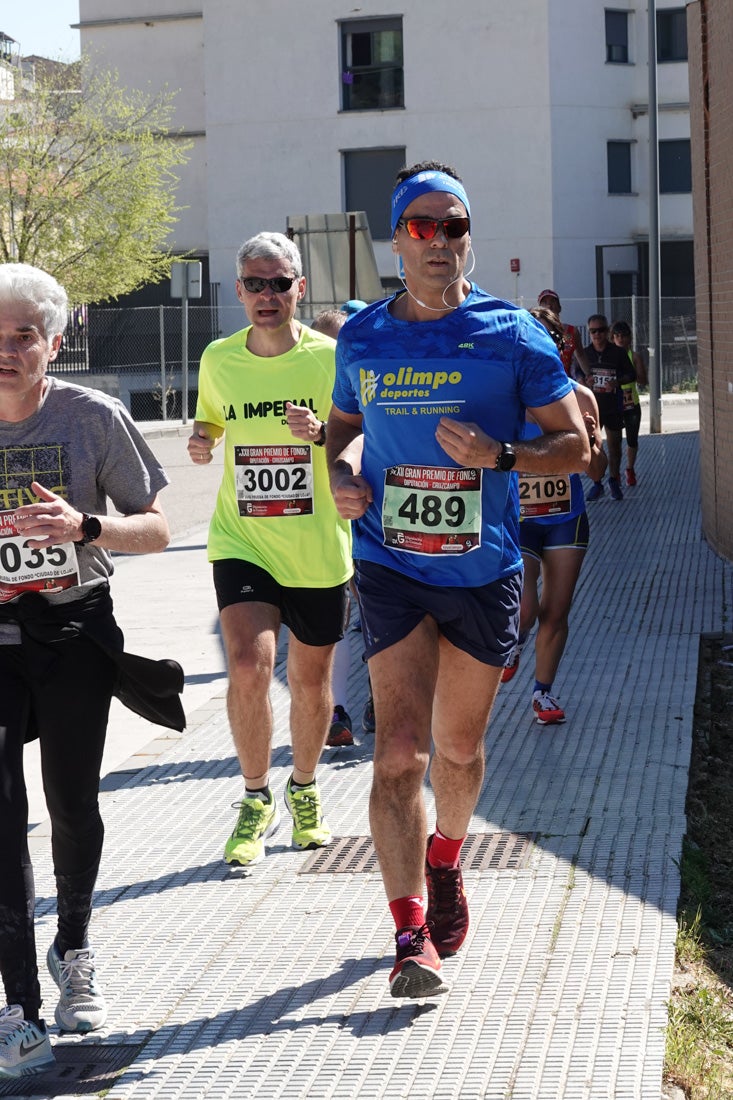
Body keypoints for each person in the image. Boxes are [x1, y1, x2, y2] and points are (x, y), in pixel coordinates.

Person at [326, 162, 590, 998]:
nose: (439, 241)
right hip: (390, 561)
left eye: (454, 225)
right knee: (398, 752)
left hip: (482, 571)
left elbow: (578, 445)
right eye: (422, 227)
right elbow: (338, 432)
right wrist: (337, 474)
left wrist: (501, 456)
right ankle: (410, 938)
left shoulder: (512, 335)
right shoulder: (364, 337)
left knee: (458, 749)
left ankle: (446, 857)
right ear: (397, 238)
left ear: (468, 235)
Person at [0, 263, 180, 1077]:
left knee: (72, 802)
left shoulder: (92, 417)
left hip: (74, 630)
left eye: (22, 336)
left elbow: (158, 527)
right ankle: (15, 1008)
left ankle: (73, 950)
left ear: (54, 343)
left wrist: (88, 525)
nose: (5, 351)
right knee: (2, 820)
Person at [188, 232, 352, 867]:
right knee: (250, 667)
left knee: (309, 686)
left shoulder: (331, 360)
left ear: (299, 290)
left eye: (278, 283)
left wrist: (322, 435)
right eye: (254, 284)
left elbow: (356, 433)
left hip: (315, 546)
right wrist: (202, 440)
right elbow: (211, 420)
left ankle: (304, 790)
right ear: (238, 292)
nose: (266, 295)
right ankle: (255, 798)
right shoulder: (219, 359)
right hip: (244, 537)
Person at [501, 306, 607, 724]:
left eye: (548, 339)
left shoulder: (581, 398)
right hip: (522, 518)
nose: (539, 346)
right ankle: (515, 641)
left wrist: (593, 445)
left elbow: (597, 472)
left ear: (560, 346)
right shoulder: (508, 398)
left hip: (566, 517)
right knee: (525, 608)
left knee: (557, 611)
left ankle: (542, 694)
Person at [310, 307, 354, 748]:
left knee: (377, 615)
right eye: (324, 343)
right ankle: (338, 710)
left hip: (369, 513)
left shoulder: (366, 377)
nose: (333, 354)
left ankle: (382, 696)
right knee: (338, 621)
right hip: (322, 520)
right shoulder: (299, 378)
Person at [583, 314, 636, 501]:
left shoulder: (618, 353)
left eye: (601, 330)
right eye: (593, 331)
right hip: (592, 408)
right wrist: (584, 381)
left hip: (613, 406)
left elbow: (631, 375)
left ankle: (614, 480)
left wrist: (617, 382)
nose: (597, 334)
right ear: (589, 333)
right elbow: (576, 376)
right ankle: (597, 483)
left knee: (614, 445)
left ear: (608, 332)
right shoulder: (585, 354)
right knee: (594, 447)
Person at [610, 320, 648, 486]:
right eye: (617, 336)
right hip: (615, 403)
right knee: (615, 440)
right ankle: (615, 473)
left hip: (631, 402)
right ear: (612, 338)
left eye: (624, 336)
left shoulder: (635, 356)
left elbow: (643, 380)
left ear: (629, 338)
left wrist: (630, 373)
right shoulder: (610, 357)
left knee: (632, 439)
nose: (620, 339)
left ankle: (630, 469)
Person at [536, 290, 589, 382]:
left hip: (567, 385)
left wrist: (589, 375)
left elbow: (580, 355)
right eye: (544, 302)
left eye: (553, 301)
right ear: (540, 309)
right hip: (543, 384)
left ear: (559, 307)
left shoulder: (572, 331)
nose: (549, 305)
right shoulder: (535, 332)